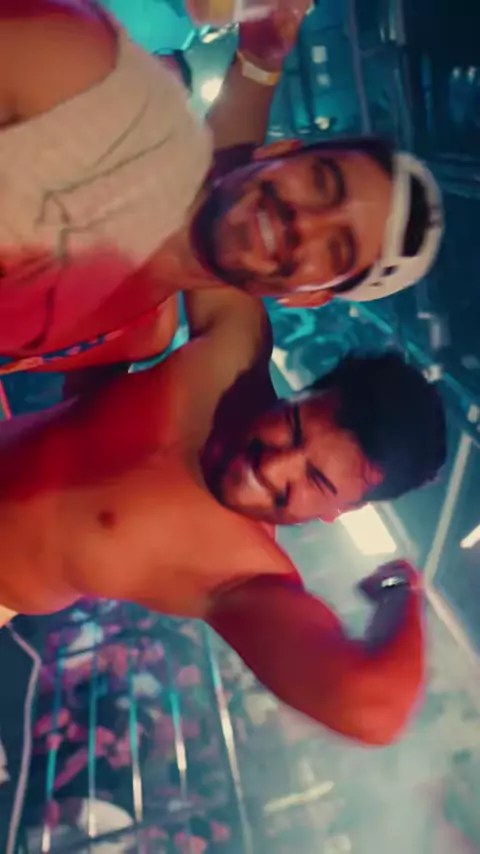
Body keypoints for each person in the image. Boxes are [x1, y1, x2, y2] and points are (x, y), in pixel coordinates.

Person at [0, 280, 446, 745]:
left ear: (340, 511)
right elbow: (193, 240)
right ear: (298, 394)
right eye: (293, 425)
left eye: (315, 479)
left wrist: (401, 591)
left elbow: (371, 708)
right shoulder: (232, 353)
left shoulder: (243, 578)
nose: (273, 465)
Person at [0, 0, 443, 381]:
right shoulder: (86, 79)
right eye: (322, 183)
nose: (304, 221)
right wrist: (259, 63)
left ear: (308, 297)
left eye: (336, 249)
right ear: (278, 150)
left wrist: (261, 61)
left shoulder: (139, 334)